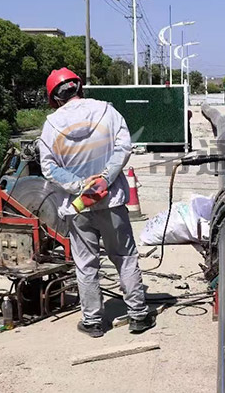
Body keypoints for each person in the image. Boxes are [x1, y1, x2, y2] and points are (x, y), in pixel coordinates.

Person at [38, 67, 155, 338]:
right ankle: (138, 315)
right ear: (79, 87)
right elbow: (124, 147)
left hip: (78, 206)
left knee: (86, 264)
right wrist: (104, 180)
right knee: (124, 257)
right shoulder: (106, 111)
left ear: (54, 98)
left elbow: (49, 167)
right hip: (111, 201)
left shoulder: (51, 125)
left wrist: (80, 185)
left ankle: (93, 322)